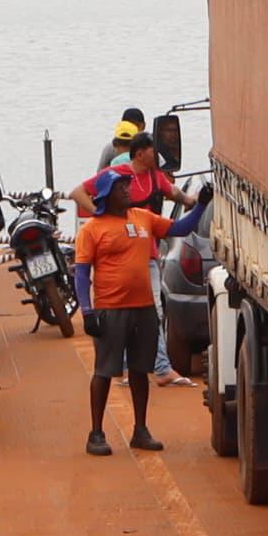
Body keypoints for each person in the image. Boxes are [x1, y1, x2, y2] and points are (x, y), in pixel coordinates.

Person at [73, 178, 174, 455]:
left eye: (127, 186)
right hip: (110, 309)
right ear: (108, 195)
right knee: (104, 371)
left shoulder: (143, 217)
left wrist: (200, 206)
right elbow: (81, 274)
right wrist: (87, 311)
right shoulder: (92, 229)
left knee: (141, 370)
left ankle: (140, 430)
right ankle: (96, 433)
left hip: (143, 309)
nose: (128, 191)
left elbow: (178, 228)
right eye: (122, 188)